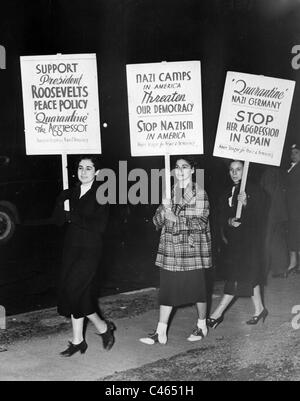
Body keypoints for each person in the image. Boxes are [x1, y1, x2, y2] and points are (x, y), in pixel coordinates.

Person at [140, 156, 212, 345]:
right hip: (170, 249)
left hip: (191, 250)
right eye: (177, 167)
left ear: (193, 170)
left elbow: (201, 222)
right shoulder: (171, 191)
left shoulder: (200, 192)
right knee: (167, 289)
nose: (180, 170)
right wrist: (163, 211)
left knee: (197, 290)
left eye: (185, 167)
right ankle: (160, 332)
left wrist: (174, 218)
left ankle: (202, 325)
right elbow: (156, 221)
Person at [53, 155, 115, 357]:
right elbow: (57, 223)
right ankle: (79, 340)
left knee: (73, 291)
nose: (84, 172)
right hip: (71, 248)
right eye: (81, 168)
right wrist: (62, 203)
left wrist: (74, 215)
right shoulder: (70, 192)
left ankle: (103, 327)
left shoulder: (102, 193)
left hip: (90, 250)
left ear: (96, 172)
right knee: (81, 294)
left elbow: (100, 226)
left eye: (89, 168)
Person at [208, 160, 267, 328]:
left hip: (249, 243)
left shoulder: (255, 190)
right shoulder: (226, 192)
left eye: (238, 169)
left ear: (245, 171)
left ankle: (217, 314)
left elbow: (261, 216)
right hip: (234, 242)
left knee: (235, 277)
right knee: (249, 275)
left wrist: (248, 203)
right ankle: (260, 309)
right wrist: (229, 220)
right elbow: (221, 216)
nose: (235, 173)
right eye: (232, 170)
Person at [260, 167, 289, 278]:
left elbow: (267, 194)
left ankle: (263, 272)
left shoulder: (268, 173)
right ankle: (281, 269)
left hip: (270, 212)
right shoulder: (280, 171)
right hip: (280, 212)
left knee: (266, 241)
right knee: (278, 241)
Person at [286, 143, 300, 275]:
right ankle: (293, 262)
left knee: (297, 233)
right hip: (290, 207)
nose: (293, 155)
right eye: (292, 152)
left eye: (296, 152)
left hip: (297, 206)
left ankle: (296, 263)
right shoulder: (290, 168)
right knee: (292, 233)